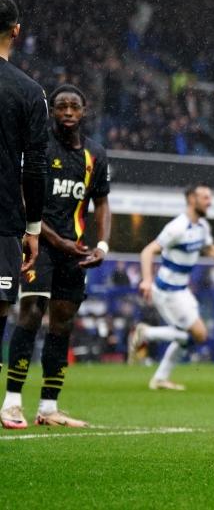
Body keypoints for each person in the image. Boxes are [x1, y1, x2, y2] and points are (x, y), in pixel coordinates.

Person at [1, 84, 111, 429]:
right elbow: (22, 197)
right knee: (31, 313)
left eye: (73, 107)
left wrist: (103, 245)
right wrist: (56, 240)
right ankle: (12, 403)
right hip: (40, 245)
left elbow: (103, 203)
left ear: (84, 111)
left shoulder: (96, 155)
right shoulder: (41, 149)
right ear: (52, 111)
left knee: (62, 323)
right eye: (61, 106)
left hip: (74, 251)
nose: (66, 112)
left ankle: (49, 407)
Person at [130, 183, 214, 391]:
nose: (209, 201)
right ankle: (146, 334)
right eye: (205, 197)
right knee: (198, 335)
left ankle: (160, 378)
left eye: (209, 197)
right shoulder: (177, 227)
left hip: (182, 290)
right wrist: (146, 280)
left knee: (188, 338)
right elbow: (147, 251)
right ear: (191, 199)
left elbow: (211, 250)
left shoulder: (202, 227)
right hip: (167, 291)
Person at [0, 0, 48, 429]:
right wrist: (33, 227)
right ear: (16, 31)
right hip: (2, 219)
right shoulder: (28, 91)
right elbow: (34, 167)